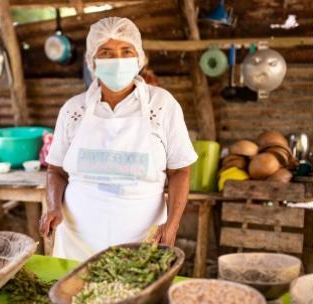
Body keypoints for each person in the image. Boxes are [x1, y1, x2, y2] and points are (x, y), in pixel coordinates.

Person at [39, 17, 197, 260]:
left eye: (126, 51)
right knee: (77, 295)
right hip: (78, 240)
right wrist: (53, 206)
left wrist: (172, 225)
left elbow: (180, 172)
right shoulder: (73, 110)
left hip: (144, 238)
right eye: (107, 53)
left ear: (140, 58)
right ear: (93, 61)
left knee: (138, 297)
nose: (118, 60)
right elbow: (55, 171)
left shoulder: (162, 105)